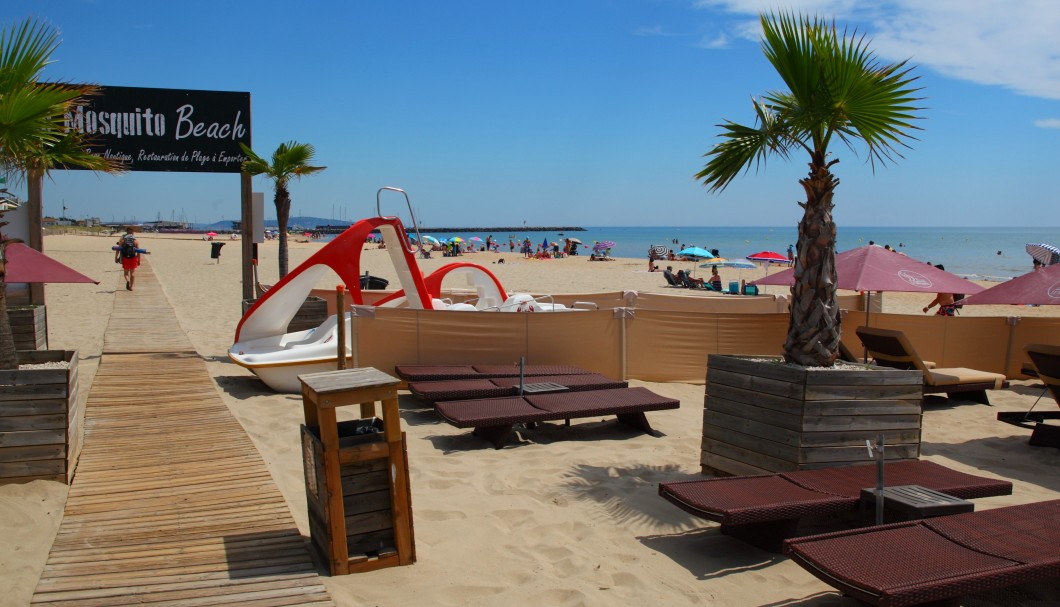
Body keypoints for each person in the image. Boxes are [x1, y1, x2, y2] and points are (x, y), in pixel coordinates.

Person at [115, 226, 140, 291]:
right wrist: (139, 260)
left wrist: (116, 258)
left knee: (126, 273)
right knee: (133, 273)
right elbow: (138, 252)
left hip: (125, 258)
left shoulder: (123, 240)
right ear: (132, 232)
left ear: (127, 232)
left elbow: (118, 249)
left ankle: (128, 281)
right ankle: (131, 287)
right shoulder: (135, 241)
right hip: (133, 258)